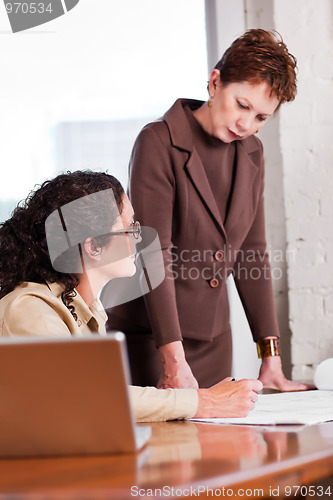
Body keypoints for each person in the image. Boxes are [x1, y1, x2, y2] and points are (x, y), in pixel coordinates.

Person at [106, 29, 311, 392]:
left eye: (262, 117)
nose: (246, 125)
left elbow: (252, 252)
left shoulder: (252, 154)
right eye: (242, 105)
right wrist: (172, 361)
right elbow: (155, 253)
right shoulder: (158, 142)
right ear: (215, 83)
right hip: (156, 343)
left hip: (216, 343)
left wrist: (271, 357)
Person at [0, 170, 262, 422]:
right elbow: (89, 400)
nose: (137, 239)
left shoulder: (86, 309)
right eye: (128, 229)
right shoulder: (30, 310)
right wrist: (204, 401)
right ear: (93, 247)